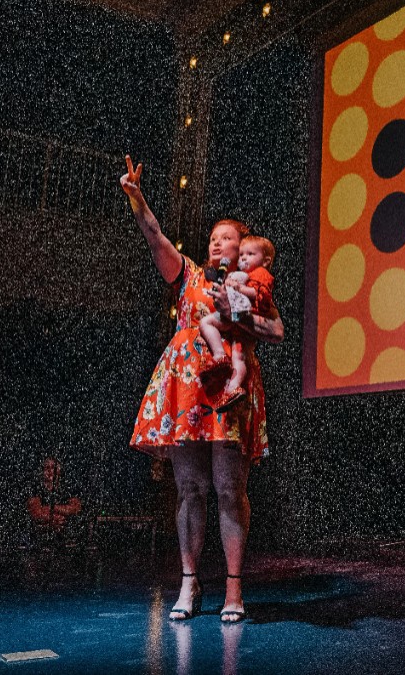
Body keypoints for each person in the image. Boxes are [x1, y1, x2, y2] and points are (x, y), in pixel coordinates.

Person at [119, 155, 284, 624]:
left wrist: (239, 317)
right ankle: (189, 584)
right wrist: (137, 197)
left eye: (226, 237)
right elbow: (155, 237)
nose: (216, 242)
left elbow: (277, 331)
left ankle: (234, 589)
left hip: (228, 389)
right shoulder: (190, 275)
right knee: (190, 488)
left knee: (230, 490)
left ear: (244, 247)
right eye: (212, 237)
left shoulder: (253, 285)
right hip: (187, 387)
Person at [197, 234, 276, 412]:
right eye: (242, 255)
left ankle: (221, 361)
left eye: (249, 254)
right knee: (238, 355)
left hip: (240, 319)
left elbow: (261, 298)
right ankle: (232, 387)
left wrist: (237, 289)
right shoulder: (241, 275)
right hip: (236, 325)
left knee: (211, 326)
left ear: (265, 260)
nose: (244, 258)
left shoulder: (260, 275)